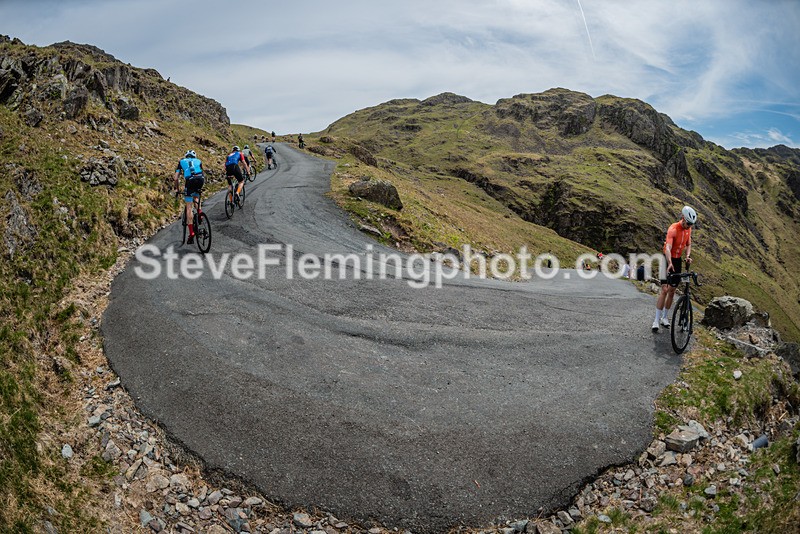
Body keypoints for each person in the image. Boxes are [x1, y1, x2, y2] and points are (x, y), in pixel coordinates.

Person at [653, 206, 697, 331]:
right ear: (683, 218)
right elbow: (668, 247)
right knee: (664, 289)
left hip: (677, 261)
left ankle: (665, 317)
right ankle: (656, 320)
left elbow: (688, 244)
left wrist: (687, 256)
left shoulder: (688, 229)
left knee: (672, 291)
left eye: (691, 224)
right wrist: (669, 262)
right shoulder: (673, 229)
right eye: (688, 223)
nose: (689, 226)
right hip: (667, 260)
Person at [173, 149, 205, 244]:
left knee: (189, 207)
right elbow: (202, 172)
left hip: (190, 181)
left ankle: (191, 233)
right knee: (196, 197)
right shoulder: (198, 161)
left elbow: (176, 178)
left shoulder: (181, 161)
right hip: (200, 179)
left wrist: (177, 189)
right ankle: (200, 213)